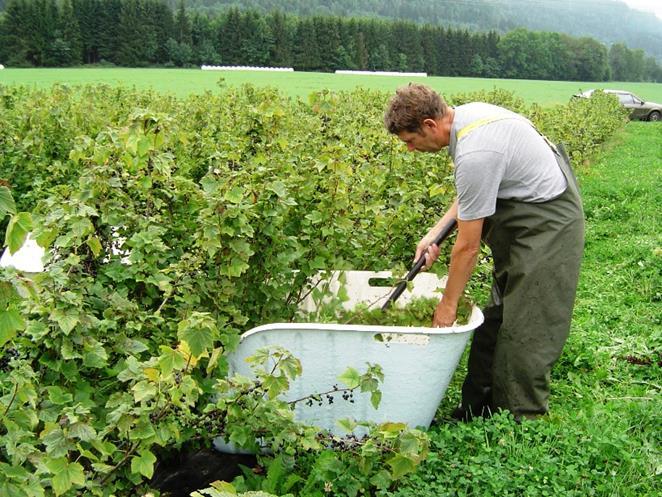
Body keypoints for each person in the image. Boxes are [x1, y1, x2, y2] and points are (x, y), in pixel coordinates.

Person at [384, 84, 584, 420]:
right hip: (524, 217)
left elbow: (468, 247)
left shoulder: (476, 149)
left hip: (549, 224)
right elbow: (474, 191)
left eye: (410, 140)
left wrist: (447, 308)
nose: (410, 149)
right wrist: (435, 233)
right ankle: (477, 410)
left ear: (430, 125)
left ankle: (520, 421)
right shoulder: (466, 119)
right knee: (496, 318)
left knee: (528, 321)